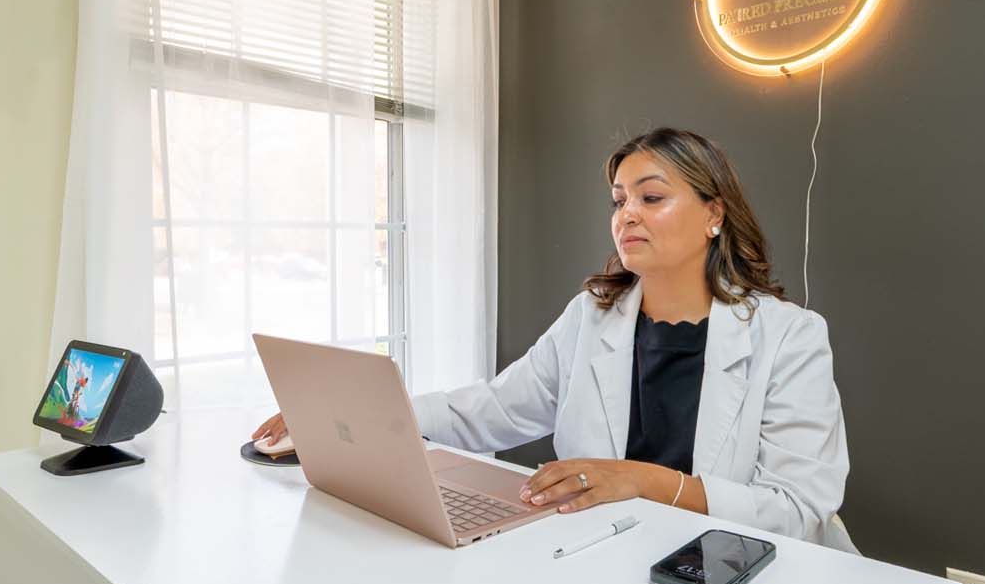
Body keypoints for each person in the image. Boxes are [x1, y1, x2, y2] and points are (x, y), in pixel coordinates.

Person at [252, 127, 850, 542]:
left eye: (652, 198)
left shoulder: (789, 336)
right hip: (608, 556)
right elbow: (494, 410)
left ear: (714, 214)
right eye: (619, 201)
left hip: (739, 579)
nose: (627, 215)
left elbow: (798, 511)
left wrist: (645, 481)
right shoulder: (594, 314)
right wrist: (353, 416)